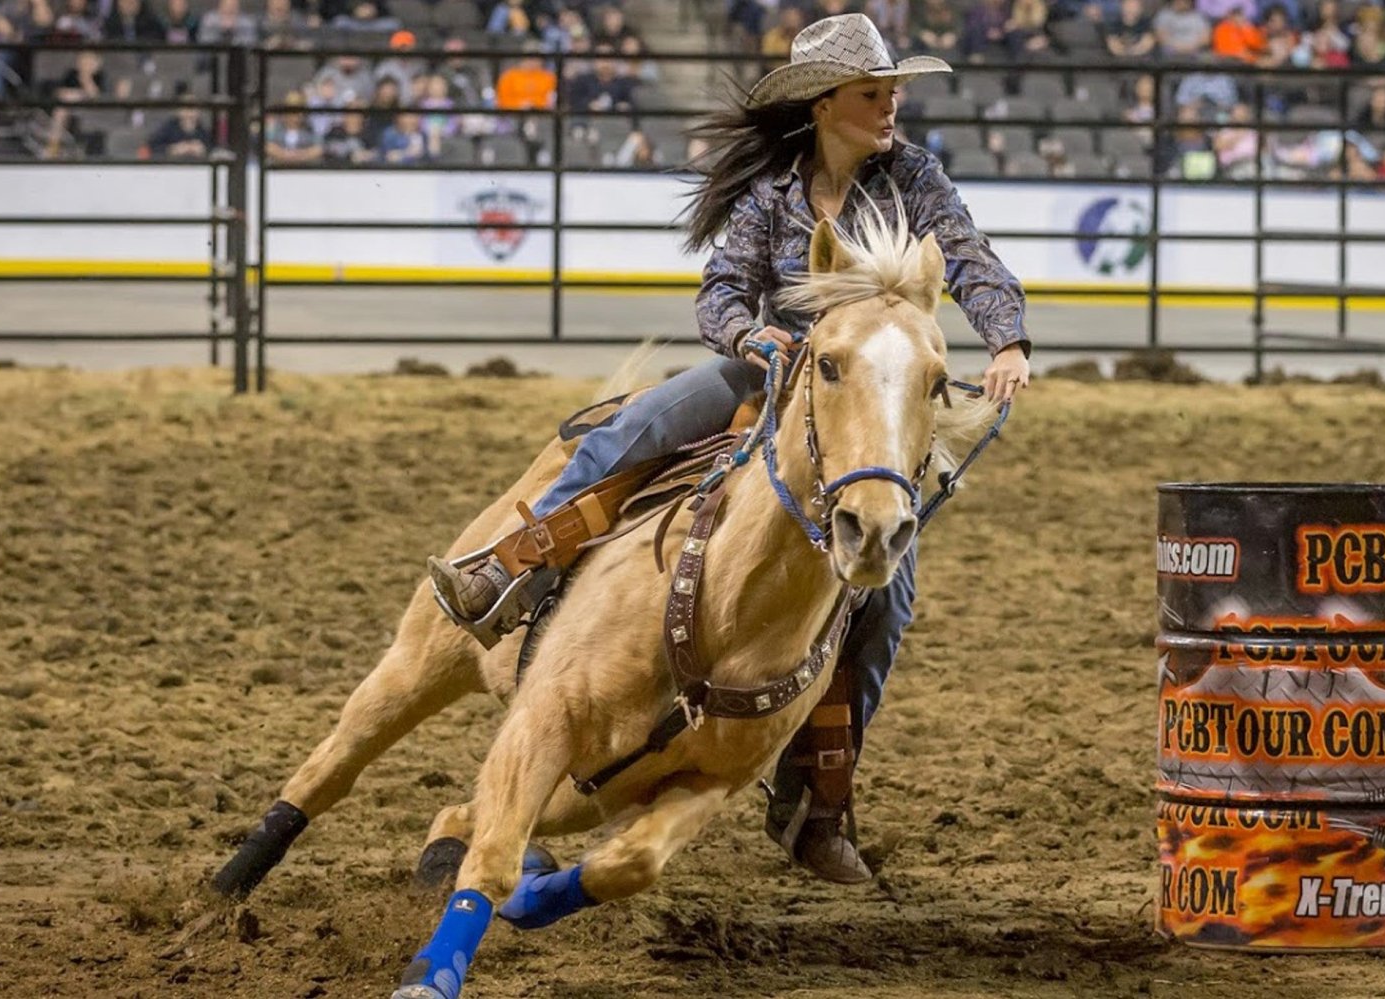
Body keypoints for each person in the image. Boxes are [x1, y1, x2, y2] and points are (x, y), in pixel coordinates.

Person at [427, 12, 1030, 885]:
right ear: (828, 105)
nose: (892, 104)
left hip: (858, 411)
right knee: (629, 432)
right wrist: (753, 338)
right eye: (875, 92)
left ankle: (818, 797)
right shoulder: (773, 194)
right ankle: (515, 566)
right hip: (772, 378)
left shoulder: (915, 181)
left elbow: (971, 259)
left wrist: (1006, 339)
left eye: (894, 89)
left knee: (886, 603)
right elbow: (719, 293)